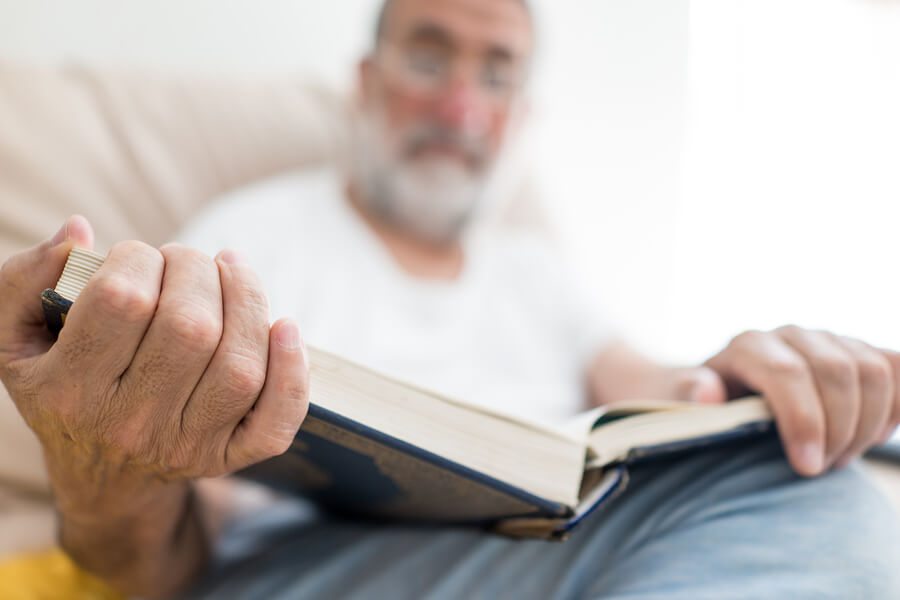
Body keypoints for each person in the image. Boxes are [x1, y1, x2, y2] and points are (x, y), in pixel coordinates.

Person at [1, 0, 899, 597]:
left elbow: (665, 388)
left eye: (497, 73)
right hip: (311, 566)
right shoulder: (257, 232)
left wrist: (756, 374)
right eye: (430, 58)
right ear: (366, 83)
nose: (463, 106)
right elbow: (173, 526)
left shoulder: (533, 268)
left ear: (522, 116)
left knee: (800, 470)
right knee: (821, 509)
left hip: (546, 544)